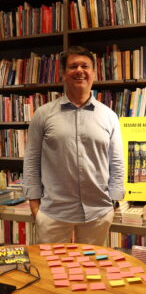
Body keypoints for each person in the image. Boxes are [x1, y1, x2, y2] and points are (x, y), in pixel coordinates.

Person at [23, 45, 125, 245]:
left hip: (98, 212)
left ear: (94, 73)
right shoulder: (43, 114)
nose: (79, 70)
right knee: (52, 271)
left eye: (85, 66)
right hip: (53, 212)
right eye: (73, 66)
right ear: (63, 74)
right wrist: (34, 205)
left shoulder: (109, 116)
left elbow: (117, 162)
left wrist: (113, 201)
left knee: (90, 271)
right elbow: (31, 161)